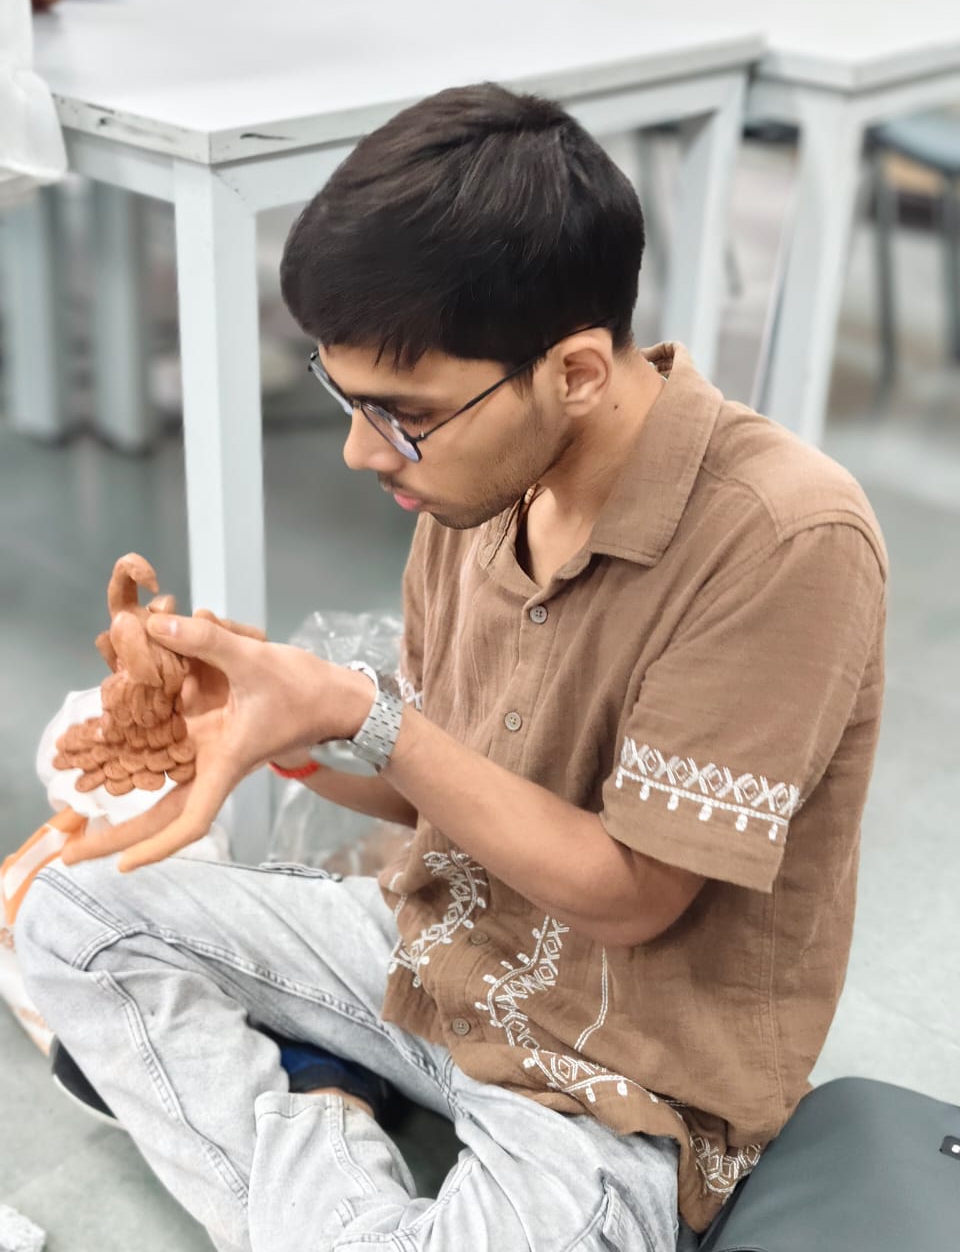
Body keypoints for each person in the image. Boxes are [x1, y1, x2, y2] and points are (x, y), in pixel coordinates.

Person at [16, 83, 887, 1252]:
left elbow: (633, 893)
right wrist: (284, 725)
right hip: (430, 957)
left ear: (575, 372)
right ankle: (331, 1103)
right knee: (66, 909)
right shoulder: (480, 478)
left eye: (401, 413)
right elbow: (444, 778)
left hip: (617, 1076)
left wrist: (361, 711)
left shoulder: (784, 536)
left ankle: (314, 1106)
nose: (360, 448)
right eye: (345, 395)